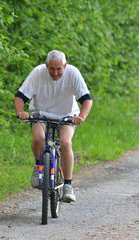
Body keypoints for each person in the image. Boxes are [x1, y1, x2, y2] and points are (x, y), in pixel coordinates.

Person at [14, 50, 93, 202]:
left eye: (59, 69)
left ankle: (68, 186)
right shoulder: (38, 73)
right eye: (52, 69)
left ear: (65, 66)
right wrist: (21, 111)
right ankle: (39, 167)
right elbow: (20, 97)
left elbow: (87, 99)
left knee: (65, 142)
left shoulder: (73, 73)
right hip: (41, 113)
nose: (55, 73)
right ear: (46, 66)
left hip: (67, 115)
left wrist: (81, 117)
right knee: (38, 138)